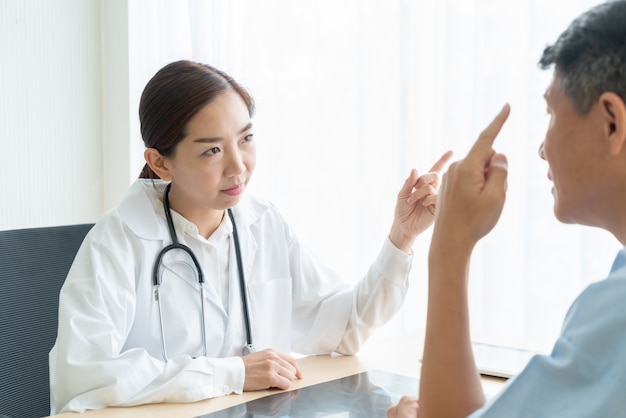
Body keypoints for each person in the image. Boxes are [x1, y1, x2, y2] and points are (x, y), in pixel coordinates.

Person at [48, 60, 452, 414]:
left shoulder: (263, 223)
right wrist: (233, 373)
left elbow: (345, 330)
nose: (238, 167)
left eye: (246, 139)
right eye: (211, 151)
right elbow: (83, 376)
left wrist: (401, 237)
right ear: (159, 162)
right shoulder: (118, 240)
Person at [387, 1, 626, 417]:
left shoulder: (616, 313)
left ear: (611, 123)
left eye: (551, 113)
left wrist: (449, 244)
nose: (541, 149)